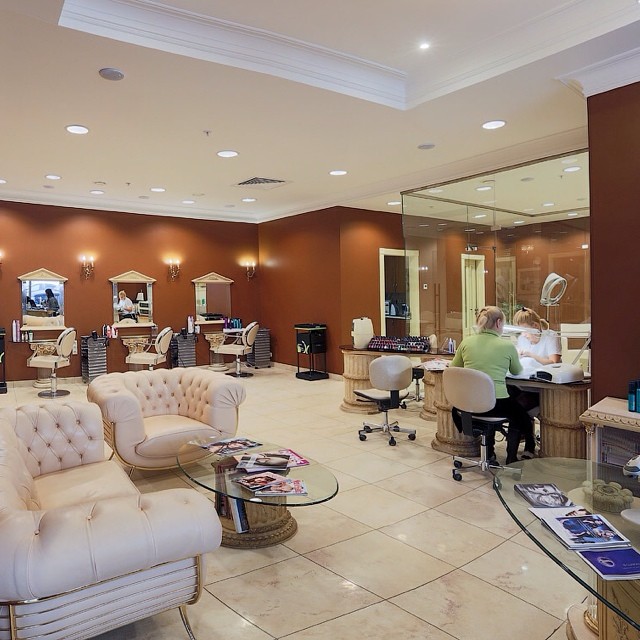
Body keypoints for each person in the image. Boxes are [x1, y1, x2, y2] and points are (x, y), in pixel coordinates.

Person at [450, 306, 535, 464]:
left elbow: (454, 369)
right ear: (498, 323)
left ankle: (489, 454)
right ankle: (511, 457)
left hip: (467, 405)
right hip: (496, 404)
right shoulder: (506, 346)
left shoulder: (466, 342)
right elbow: (517, 371)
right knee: (520, 415)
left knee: (504, 406)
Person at [510, 307, 562, 425]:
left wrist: (530, 354)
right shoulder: (522, 339)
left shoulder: (550, 336)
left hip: (545, 387)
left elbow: (553, 362)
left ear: (535, 326)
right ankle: (525, 432)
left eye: (525, 331)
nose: (523, 335)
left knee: (519, 404)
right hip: (524, 384)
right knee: (510, 398)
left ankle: (538, 426)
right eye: (521, 331)